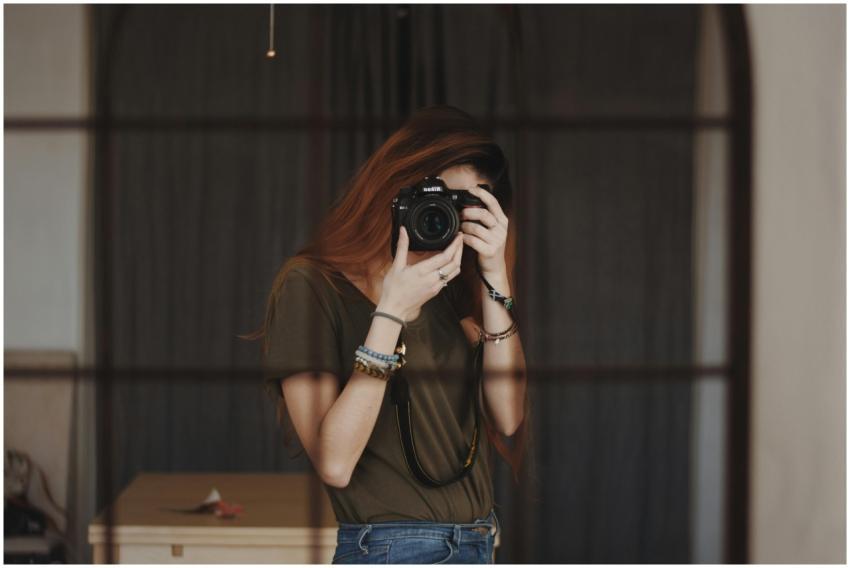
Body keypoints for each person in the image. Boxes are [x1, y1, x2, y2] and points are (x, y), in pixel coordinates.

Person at [247, 105, 530, 564]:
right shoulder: (311, 285)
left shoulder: (453, 289)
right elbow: (335, 464)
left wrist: (496, 275)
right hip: (389, 550)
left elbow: (507, 416)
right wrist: (391, 312)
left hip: (479, 543)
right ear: (395, 190)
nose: (448, 217)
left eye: (469, 206)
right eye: (438, 198)